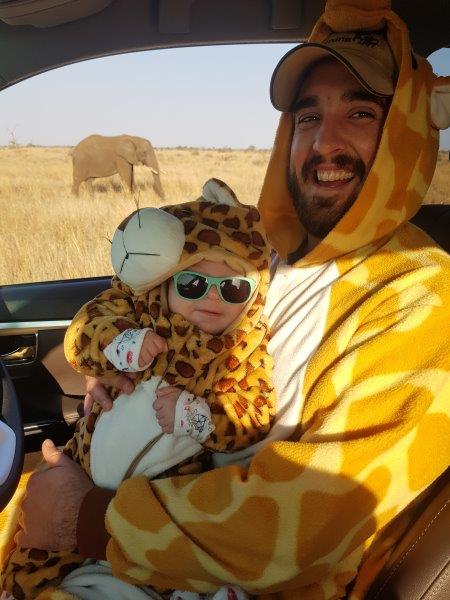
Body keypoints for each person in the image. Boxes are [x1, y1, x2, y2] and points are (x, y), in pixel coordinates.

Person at [3, 1, 450, 599]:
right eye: (308, 115)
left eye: (361, 113)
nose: (325, 143)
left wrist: (87, 520)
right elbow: (129, 312)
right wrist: (120, 369)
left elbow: (305, 526)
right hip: (139, 526)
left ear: (406, 133)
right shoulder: (259, 254)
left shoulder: (418, 297)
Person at [0, 178, 275, 600]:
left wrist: (197, 417)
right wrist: (119, 345)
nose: (214, 299)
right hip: (86, 467)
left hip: (157, 496)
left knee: (160, 580)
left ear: (253, 297)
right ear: (165, 282)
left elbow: (252, 415)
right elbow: (84, 331)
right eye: (193, 284)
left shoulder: (241, 350)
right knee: (30, 565)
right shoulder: (139, 311)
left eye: (235, 288)